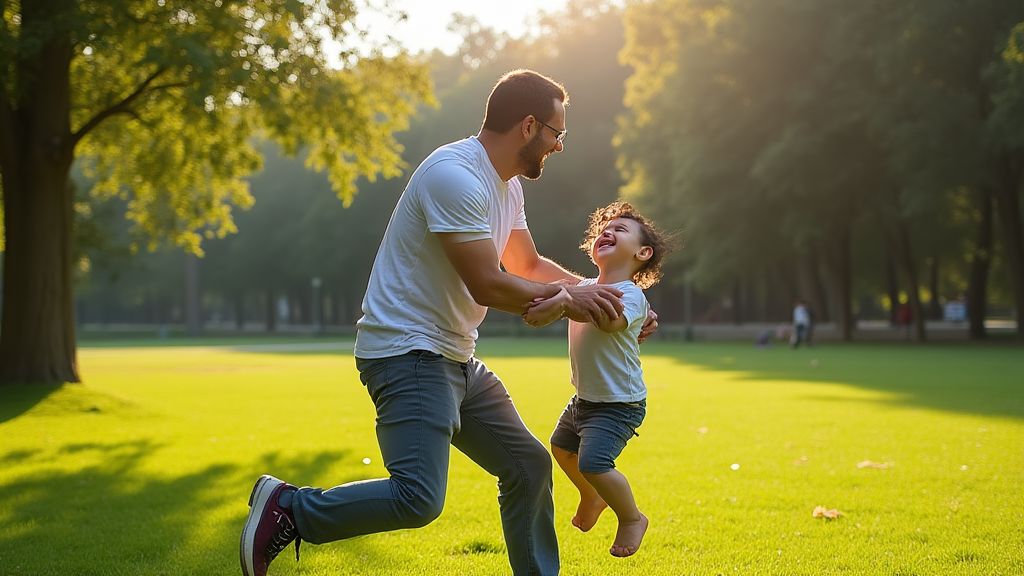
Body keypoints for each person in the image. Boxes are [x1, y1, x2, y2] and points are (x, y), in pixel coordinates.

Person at [239, 69, 658, 576]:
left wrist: (613, 298)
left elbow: (526, 266)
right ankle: (291, 509)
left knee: (528, 467)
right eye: (556, 134)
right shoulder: (454, 176)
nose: (559, 146)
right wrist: (575, 301)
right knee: (418, 498)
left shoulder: (505, 188)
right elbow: (489, 283)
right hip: (407, 352)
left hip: (455, 356)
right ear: (529, 127)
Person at [523, 201, 670, 558]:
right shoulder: (584, 285)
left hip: (619, 404)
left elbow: (608, 320)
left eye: (620, 230)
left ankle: (632, 517)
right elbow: (543, 284)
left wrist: (566, 297)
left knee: (594, 463)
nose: (608, 232)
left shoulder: (633, 296)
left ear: (642, 252)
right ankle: (592, 494)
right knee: (560, 448)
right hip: (585, 400)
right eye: (604, 230)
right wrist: (564, 292)